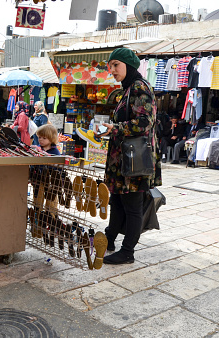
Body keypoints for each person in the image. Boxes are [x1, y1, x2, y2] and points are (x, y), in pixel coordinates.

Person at [97, 47, 160, 265]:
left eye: (116, 65)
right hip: (122, 159)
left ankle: (128, 252)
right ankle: (110, 238)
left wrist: (114, 129)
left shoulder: (139, 87)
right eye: (110, 65)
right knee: (117, 200)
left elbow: (145, 123)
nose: (112, 70)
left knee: (132, 206)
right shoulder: (127, 89)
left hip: (134, 160)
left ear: (129, 65)